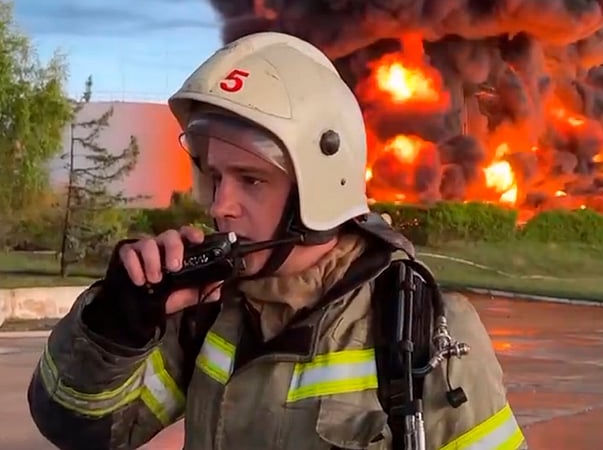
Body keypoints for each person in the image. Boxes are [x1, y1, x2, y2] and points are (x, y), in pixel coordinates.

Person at [27, 32, 526, 450]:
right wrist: (114, 329)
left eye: (252, 179)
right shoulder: (206, 311)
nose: (222, 204)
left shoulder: (423, 326)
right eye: (216, 175)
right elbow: (81, 429)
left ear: (319, 183)